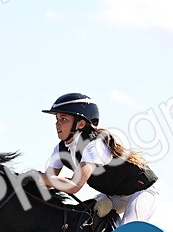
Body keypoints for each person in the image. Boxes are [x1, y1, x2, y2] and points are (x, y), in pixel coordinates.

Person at [40, 93, 159, 223]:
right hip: (114, 196)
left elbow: (74, 186)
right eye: (57, 119)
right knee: (83, 218)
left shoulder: (94, 145)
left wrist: (37, 177)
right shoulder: (60, 149)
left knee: (126, 229)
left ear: (80, 124)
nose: (57, 124)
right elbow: (47, 183)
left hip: (140, 191)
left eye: (63, 119)